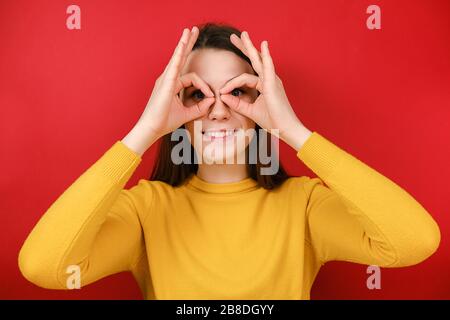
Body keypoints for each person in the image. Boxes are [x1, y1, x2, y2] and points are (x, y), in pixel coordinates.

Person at [18, 23, 441, 299]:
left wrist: (292, 130)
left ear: (263, 101)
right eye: (197, 94)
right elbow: (44, 267)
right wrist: (144, 132)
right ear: (173, 107)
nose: (218, 111)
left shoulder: (304, 205)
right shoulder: (147, 208)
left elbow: (413, 242)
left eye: (237, 92)